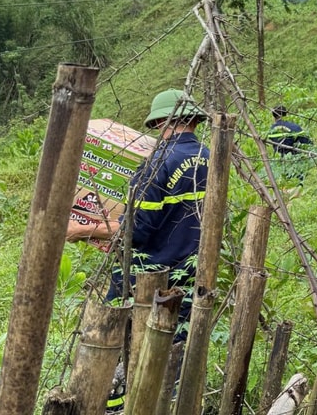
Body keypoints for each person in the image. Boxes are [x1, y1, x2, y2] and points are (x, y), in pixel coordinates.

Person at [66, 89, 210, 409]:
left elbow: (136, 231)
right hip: (192, 271)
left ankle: (110, 404)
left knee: (117, 343)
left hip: (148, 276)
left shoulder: (156, 164)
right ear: (195, 120)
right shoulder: (211, 157)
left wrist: (82, 230)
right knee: (176, 351)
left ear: (160, 122)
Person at [266, 105, 312, 190]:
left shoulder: (271, 130)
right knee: (296, 182)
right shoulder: (295, 127)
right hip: (295, 158)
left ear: (273, 116)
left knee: (283, 182)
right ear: (286, 114)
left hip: (280, 159)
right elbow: (307, 142)